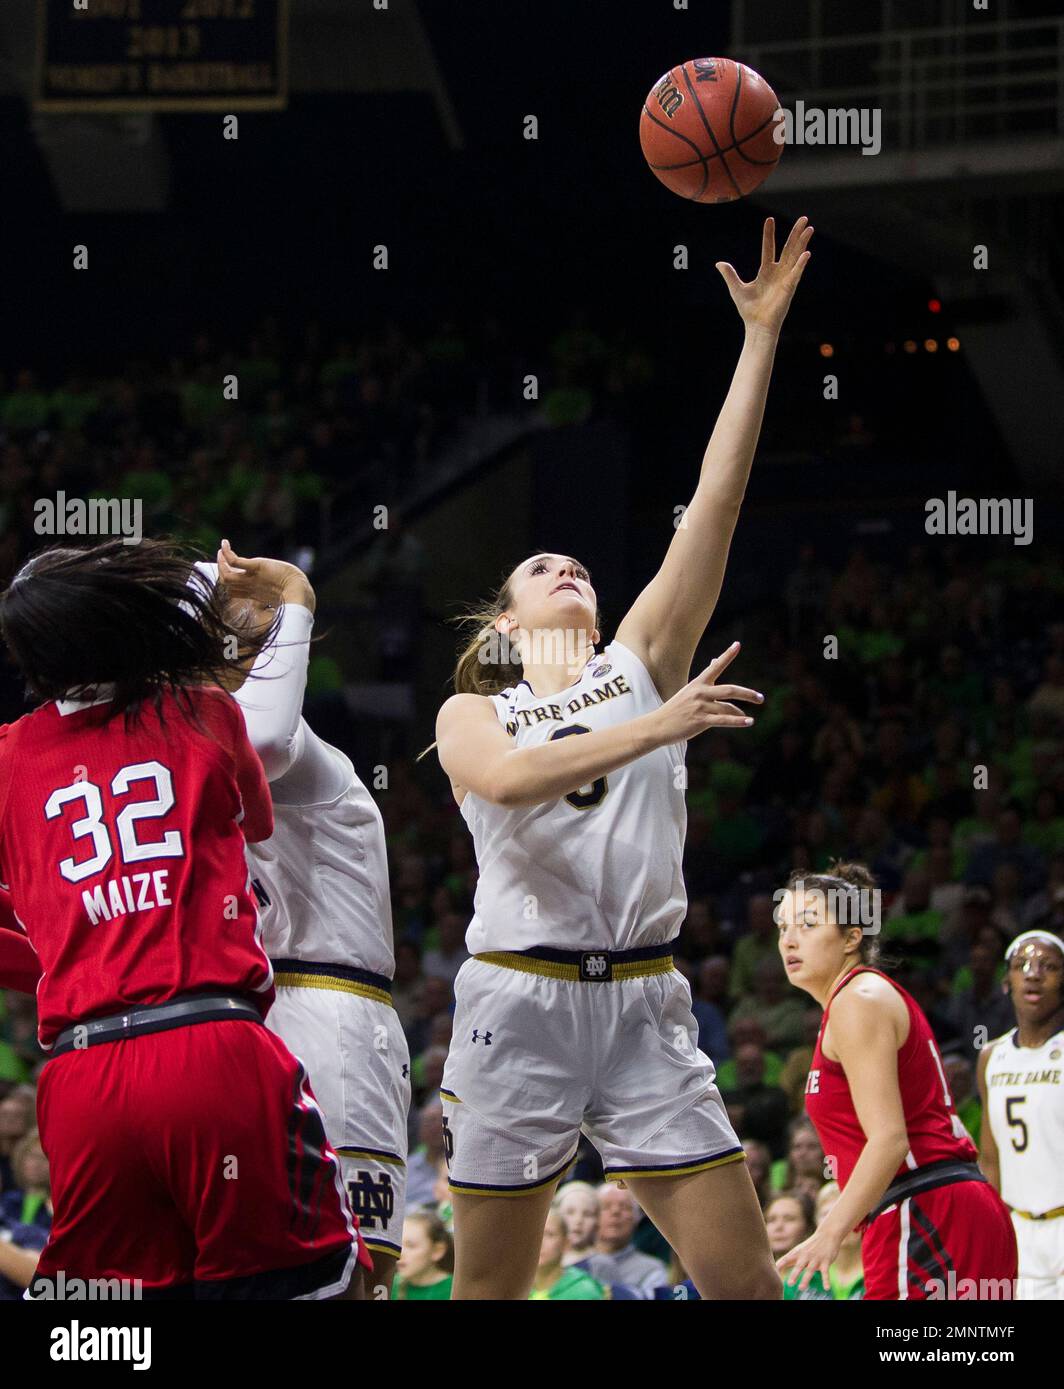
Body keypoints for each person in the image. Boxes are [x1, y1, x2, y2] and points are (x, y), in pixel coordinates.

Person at [433, 217, 813, 1300]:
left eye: (573, 561)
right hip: (520, 1002)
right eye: (536, 565)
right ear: (504, 626)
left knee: (746, 1289)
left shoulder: (640, 659)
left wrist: (758, 337)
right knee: (488, 1295)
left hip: (648, 1002)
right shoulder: (475, 712)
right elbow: (506, 782)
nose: (563, 565)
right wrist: (659, 725)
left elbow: (719, 500)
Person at [0, 539, 364, 1299]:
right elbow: (263, 754)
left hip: (80, 1078)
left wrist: (67, 954)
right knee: (317, 1284)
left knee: (111, 1319)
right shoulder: (197, 713)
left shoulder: (8, 757)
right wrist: (295, 602)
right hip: (209, 1049)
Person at [211, 540, 411, 1298]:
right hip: (244, 1020)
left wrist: (297, 594)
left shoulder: (302, 756)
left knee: (362, 1268)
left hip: (334, 1013)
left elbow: (260, 740)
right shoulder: (193, 753)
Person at [776, 860, 1017, 1300]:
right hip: (944, 1207)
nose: (789, 939)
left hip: (926, 1209)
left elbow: (889, 1139)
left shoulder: (858, 1000)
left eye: (808, 924)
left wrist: (829, 1231)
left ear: (852, 937)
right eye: (782, 926)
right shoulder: (856, 1000)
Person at [978, 930, 1064, 1300]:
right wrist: (991, 1232)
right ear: (1006, 982)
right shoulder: (991, 1057)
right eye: (1022, 966)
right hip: (1018, 1229)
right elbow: (990, 1158)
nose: (1033, 973)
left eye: (1049, 967)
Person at [573, 1184, 668, 1297]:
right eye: (606, 1206)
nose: (615, 1212)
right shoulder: (572, 1261)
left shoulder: (652, 1269)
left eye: (625, 1207)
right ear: (592, 1216)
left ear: (636, 1218)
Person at [531, 1209, 605, 1300]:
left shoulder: (584, 1291)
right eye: (533, 1233)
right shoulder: (514, 1287)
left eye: (549, 1235)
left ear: (566, 1244)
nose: (539, 1242)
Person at [392, 1210, 453, 1300]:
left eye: (411, 1246)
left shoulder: (455, 1289)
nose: (400, 1253)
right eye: (398, 1244)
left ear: (437, 1251)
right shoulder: (388, 1286)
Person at [555, 1180, 599, 1265]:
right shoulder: (542, 1259)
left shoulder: (600, 1264)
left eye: (587, 1214)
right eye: (570, 1212)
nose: (578, 1220)